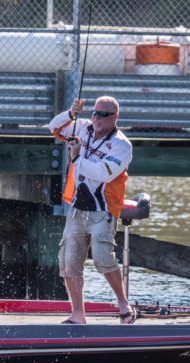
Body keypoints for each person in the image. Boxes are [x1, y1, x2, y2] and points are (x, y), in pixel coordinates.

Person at [49, 96, 135, 324]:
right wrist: (71, 113)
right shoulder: (82, 127)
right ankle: (78, 314)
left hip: (103, 211)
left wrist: (76, 158)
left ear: (115, 117)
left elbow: (104, 172)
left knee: (103, 259)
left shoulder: (122, 145)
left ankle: (123, 303)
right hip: (77, 209)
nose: (96, 118)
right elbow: (54, 127)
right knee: (69, 263)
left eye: (103, 114)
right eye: (95, 113)